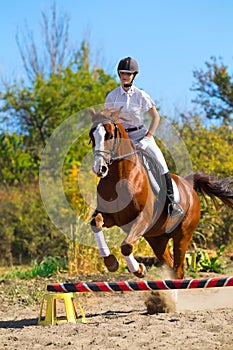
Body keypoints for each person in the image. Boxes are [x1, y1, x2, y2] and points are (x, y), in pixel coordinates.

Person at [104, 56, 183, 218]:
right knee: (105, 164)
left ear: (134, 75)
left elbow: (156, 117)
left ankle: (172, 203)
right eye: (122, 73)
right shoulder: (112, 96)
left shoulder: (141, 95)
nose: (125, 76)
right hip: (122, 139)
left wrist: (147, 138)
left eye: (128, 73)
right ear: (119, 75)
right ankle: (105, 202)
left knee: (161, 164)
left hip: (141, 134)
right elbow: (107, 120)